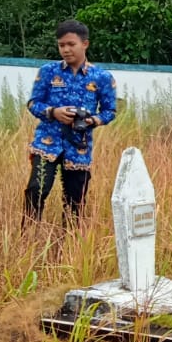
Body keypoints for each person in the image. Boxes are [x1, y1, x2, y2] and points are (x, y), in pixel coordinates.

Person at [24, 19, 116, 222]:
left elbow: (110, 111)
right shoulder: (48, 71)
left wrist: (92, 120)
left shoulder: (102, 77)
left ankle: (69, 249)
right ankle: (27, 240)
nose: (65, 49)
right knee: (36, 190)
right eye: (61, 45)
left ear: (85, 44)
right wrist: (53, 112)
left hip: (79, 147)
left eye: (71, 44)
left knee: (75, 201)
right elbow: (32, 103)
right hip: (47, 142)